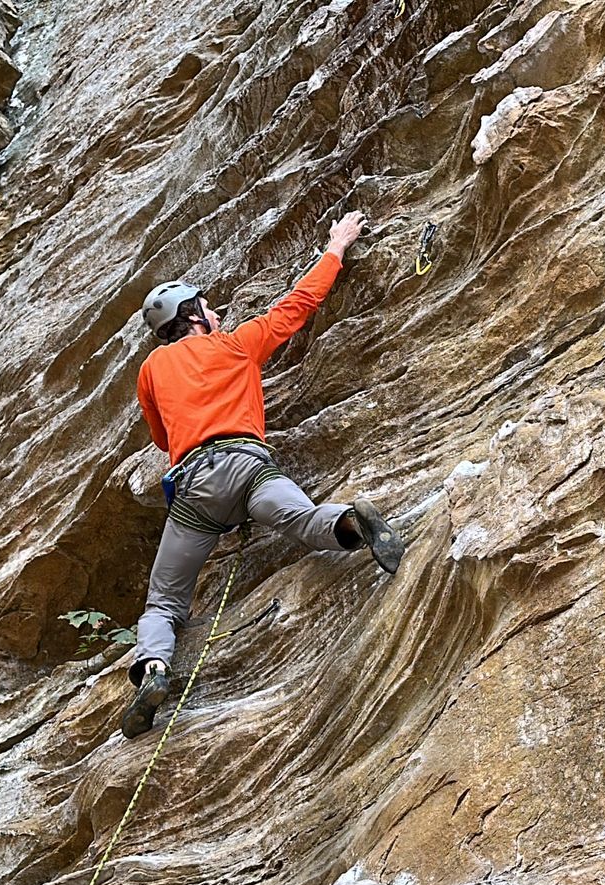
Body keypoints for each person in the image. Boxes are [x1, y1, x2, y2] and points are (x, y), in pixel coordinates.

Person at [119, 210, 403, 737]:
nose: (217, 311)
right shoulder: (235, 345)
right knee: (301, 519)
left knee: (165, 600)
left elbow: (162, 439)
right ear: (195, 315)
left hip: (197, 488)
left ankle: (154, 669)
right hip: (250, 466)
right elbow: (297, 305)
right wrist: (337, 245)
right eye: (209, 306)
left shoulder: (151, 370)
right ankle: (354, 524)